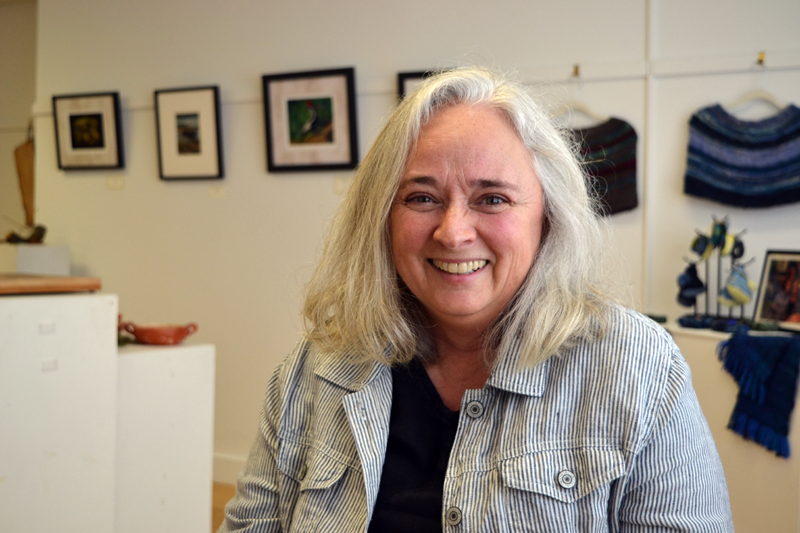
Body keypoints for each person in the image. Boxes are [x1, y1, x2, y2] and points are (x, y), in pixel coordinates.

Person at [219, 67, 732, 532]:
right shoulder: (313, 372)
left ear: (547, 219)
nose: (453, 231)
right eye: (422, 197)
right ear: (382, 218)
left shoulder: (637, 367)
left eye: (493, 199)